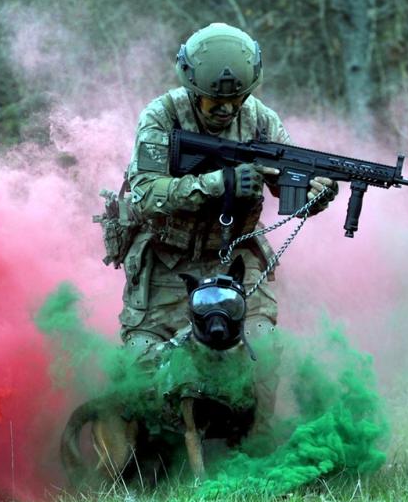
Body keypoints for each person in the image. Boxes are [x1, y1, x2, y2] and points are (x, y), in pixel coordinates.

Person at [118, 22, 336, 436]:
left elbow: (287, 179)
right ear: (191, 87)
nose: (227, 108)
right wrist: (218, 184)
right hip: (168, 261)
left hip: (235, 260)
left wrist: (315, 193)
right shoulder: (162, 117)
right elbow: (145, 193)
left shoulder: (261, 121)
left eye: (237, 97)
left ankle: (251, 448)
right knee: (143, 364)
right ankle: (154, 457)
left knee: (262, 350)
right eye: (214, 100)